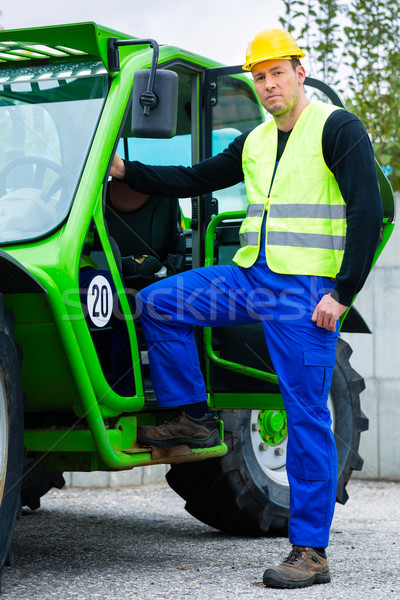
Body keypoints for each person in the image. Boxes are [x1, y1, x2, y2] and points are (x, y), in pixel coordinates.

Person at [110, 28, 383, 589]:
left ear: (299, 72)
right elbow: (192, 178)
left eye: (276, 72)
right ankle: (194, 413)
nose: (267, 84)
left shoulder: (336, 127)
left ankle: (310, 551)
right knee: (162, 302)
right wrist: (123, 174)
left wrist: (342, 293)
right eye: (258, 76)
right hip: (252, 275)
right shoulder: (256, 141)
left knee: (305, 415)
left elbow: (366, 208)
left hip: (307, 291)